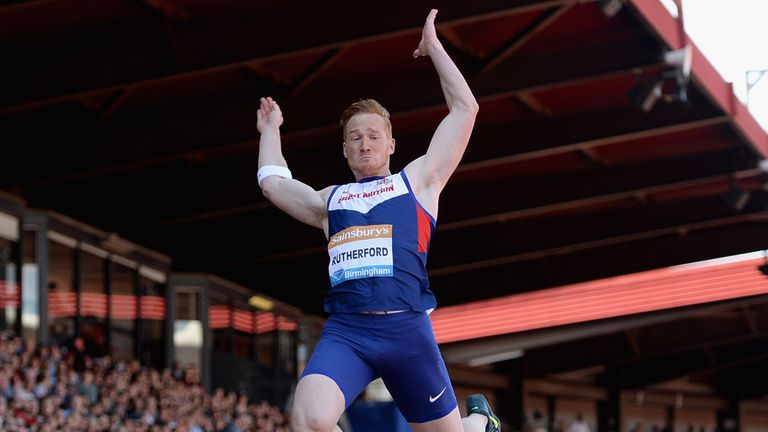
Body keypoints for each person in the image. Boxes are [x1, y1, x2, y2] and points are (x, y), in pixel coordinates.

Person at [257, 9, 500, 432]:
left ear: (391, 144)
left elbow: (465, 109)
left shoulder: (419, 181)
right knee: (310, 419)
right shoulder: (330, 201)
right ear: (345, 151)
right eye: (354, 137)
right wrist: (270, 131)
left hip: (407, 331)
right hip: (348, 333)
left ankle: (482, 422)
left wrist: (435, 48)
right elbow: (274, 186)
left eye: (373, 135)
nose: (364, 143)